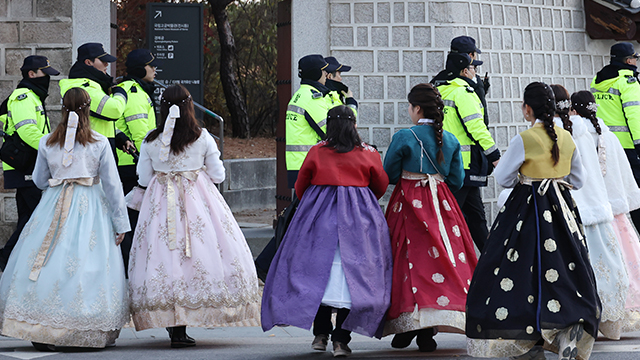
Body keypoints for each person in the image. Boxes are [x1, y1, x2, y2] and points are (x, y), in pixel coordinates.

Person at [466, 82, 600, 360]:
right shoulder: (566, 137)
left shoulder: (524, 138)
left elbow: (502, 178)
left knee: (520, 271)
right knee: (567, 268)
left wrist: (527, 178)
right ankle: (568, 327)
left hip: (527, 210)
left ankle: (530, 342)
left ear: (528, 108)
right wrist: (556, 180)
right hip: (561, 209)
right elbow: (579, 180)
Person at [128, 85, 260, 348]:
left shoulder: (151, 140)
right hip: (197, 199)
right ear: (189, 106)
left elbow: (143, 178)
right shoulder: (202, 137)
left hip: (161, 201)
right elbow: (218, 174)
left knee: (164, 255)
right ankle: (190, 315)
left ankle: (174, 322)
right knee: (199, 252)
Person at [0, 87, 130, 349]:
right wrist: (121, 223)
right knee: (85, 263)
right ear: (88, 108)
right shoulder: (99, 142)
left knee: (48, 262)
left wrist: (57, 182)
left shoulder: (47, 141)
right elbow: (113, 185)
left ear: (62, 109)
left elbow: (38, 180)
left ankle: (41, 324)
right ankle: (80, 327)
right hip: (90, 204)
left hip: (54, 204)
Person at [261, 105, 392, 358]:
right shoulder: (368, 152)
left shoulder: (317, 151)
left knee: (314, 275)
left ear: (329, 126)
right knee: (353, 278)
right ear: (354, 125)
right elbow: (380, 185)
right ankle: (341, 340)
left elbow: (301, 185)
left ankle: (320, 334)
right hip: (358, 222)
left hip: (317, 219)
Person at [382, 84, 477, 352]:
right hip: (442, 204)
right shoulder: (450, 139)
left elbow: (388, 173)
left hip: (408, 204)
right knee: (443, 260)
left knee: (406, 259)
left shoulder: (405, 136)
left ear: (417, 108)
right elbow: (457, 179)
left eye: (410, 107)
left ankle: (408, 324)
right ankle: (429, 330)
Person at [551, 86, 629, 340]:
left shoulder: (556, 133)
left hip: (571, 206)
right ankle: (610, 318)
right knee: (604, 261)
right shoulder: (589, 132)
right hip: (596, 201)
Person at [254, 54, 337, 280]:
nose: (327, 75)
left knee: (297, 220)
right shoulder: (311, 98)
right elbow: (333, 132)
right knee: (295, 222)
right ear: (315, 74)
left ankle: (268, 266)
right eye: (324, 71)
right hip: (312, 171)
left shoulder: (303, 95)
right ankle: (264, 266)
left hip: (303, 169)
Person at [571, 90, 640, 337]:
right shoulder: (608, 136)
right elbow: (623, 171)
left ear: (574, 111)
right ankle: (625, 310)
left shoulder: (577, 136)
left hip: (593, 209)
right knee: (623, 259)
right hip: (614, 210)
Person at [435, 52, 500, 251]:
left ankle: (490, 262)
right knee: (454, 218)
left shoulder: (438, 91)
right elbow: (477, 128)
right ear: (465, 71)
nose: (476, 73)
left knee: (475, 216)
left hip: (445, 164)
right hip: (465, 165)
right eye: (474, 69)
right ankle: (467, 265)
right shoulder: (464, 93)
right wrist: (495, 156)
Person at [0, 56, 60, 270]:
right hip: (24, 165)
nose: (49, 79)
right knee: (37, 217)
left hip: (29, 165)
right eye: (46, 74)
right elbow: (28, 132)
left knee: (28, 217)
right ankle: (11, 259)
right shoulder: (24, 97)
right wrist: (54, 148)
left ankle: (10, 259)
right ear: (32, 74)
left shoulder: (33, 96)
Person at [115, 49, 158, 272]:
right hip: (131, 164)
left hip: (134, 163)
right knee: (131, 219)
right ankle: (129, 269)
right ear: (141, 69)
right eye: (151, 66)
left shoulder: (139, 90)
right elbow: (142, 135)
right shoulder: (131, 92)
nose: (154, 69)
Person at [591, 42, 640, 229]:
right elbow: (634, 115)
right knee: (636, 193)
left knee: (611, 191)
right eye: (635, 58)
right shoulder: (628, 81)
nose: (635, 62)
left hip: (604, 145)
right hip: (628, 146)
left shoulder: (597, 80)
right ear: (628, 60)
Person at [59, 42, 128, 156]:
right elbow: (115, 110)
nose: (107, 64)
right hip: (91, 151)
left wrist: (119, 137)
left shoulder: (94, 85)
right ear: (88, 62)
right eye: (102, 61)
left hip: (96, 148)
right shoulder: (84, 87)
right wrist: (120, 92)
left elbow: (99, 122)